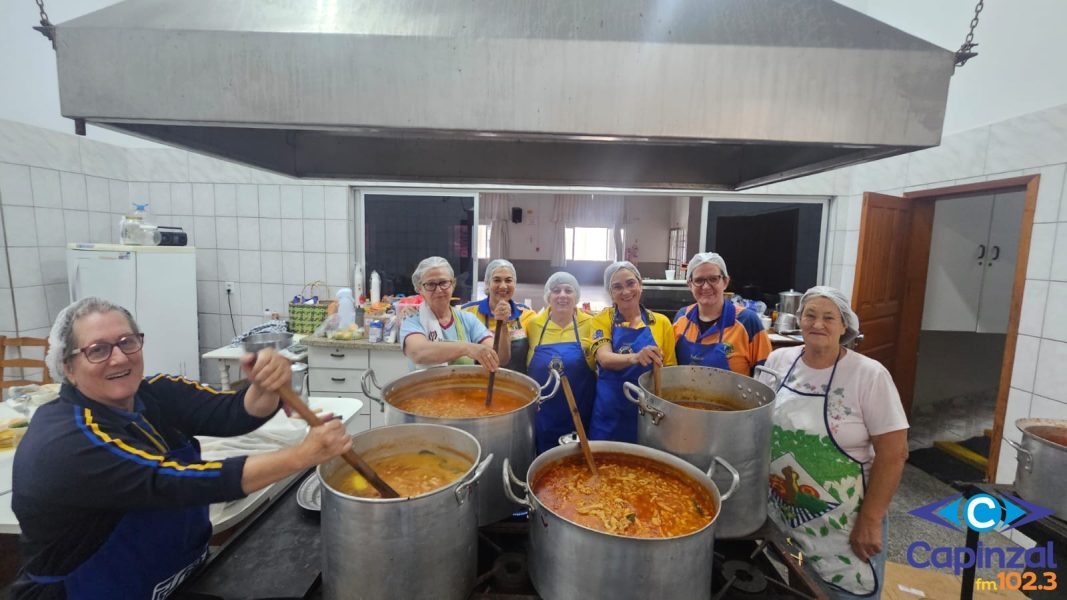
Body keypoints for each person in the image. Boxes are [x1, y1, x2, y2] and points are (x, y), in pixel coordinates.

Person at [11, 297, 352, 599]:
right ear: (68, 367)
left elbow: (232, 414)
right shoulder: (65, 440)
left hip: (172, 580)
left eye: (127, 342)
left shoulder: (154, 392)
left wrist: (265, 387)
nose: (118, 358)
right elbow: (170, 481)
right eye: (97, 350)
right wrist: (300, 456)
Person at [759, 286, 909, 599]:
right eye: (810, 315)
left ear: (845, 327)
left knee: (841, 592)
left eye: (829, 317)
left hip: (844, 524)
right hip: (786, 514)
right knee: (796, 580)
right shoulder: (778, 361)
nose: (818, 324)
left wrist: (870, 520)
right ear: (798, 320)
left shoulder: (868, 376)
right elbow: (757, 424)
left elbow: (894, 454)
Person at [587, 261, 677, 442]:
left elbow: (669, 372)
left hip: (648, 415)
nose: (625, 291)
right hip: (610, 414)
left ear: (640, 285)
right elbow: (604, 358)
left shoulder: (661, 322)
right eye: (617, 287)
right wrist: (636, 357)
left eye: (630, 283)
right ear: (610, 293)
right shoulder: (601, 320)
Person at [524, 272, 596, 453]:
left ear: (576, 296)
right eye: (556, 291)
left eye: (568, 290)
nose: (562, 295)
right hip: (543, 418)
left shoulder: (592, 323)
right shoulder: (533, 325)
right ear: (548, 296)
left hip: (580, 416)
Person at [401, 256, 510, 371]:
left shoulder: (468, 320)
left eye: (443, 282)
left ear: (453, 284)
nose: (438, 290)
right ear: (420, 289)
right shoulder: (412, 319)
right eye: (430, 284)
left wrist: (503, 326)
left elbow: (499, 358)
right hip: (424, 388)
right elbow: (418, 353)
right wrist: (467, 348)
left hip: (463, 388)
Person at [673, 252, 771, 375]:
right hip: (683, 394)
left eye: (713, 279)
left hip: (735, 394)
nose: (706, 286)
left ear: (725, 281)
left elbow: (766, 374)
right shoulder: (681, 318)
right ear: (689, 285)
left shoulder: (747, 321)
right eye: (699, 280)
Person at [462, 259, 537, 373]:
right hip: (478, 384)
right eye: (497, 280)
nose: (503, 286)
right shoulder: (468, 312)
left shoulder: (528, 315)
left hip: (517, 385)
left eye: (508, 280)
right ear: (487, 283)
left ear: (515, 284)